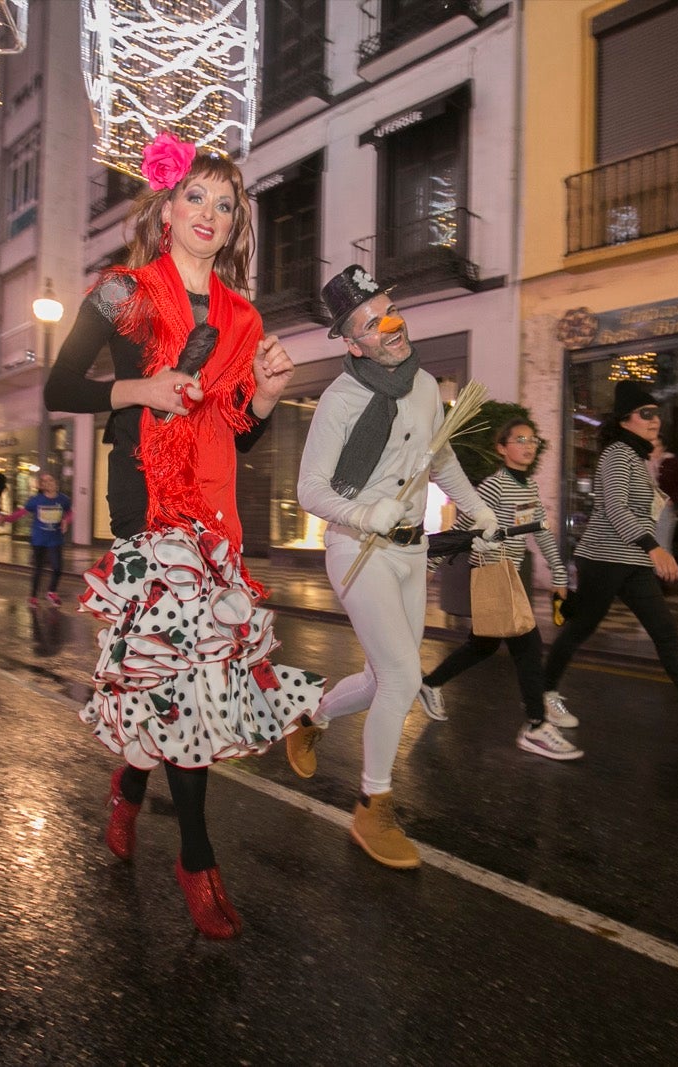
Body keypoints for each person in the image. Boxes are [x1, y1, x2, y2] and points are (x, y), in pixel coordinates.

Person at [44, 131, 316, 939]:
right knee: (189, 680)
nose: (209, 213)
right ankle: (196, 857)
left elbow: (238, 429)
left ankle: (127, 792)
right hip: (146, 503)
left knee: (173, 681)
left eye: (225, 204)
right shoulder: (119, 293)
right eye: (195, 196)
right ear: (165, 205)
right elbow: (61, 384)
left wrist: (264, 395)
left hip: (214, 502)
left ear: (236, 226)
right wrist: (140, 386)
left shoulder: (242, 316)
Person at [286, 264, 498, 871]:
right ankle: (371, 804)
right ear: (353, 343)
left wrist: (478, 510)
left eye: (391, 311)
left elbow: (441, 456)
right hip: (358, 551)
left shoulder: (427, 385)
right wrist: (365, 512)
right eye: (373, 322)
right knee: (404, 677)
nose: (391, 325)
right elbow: (310, 490)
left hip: (411, 551)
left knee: (386, 678)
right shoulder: (341, 399)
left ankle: (313, 717)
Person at [542, 381, 678, 743]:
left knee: (666, 635)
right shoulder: (616, 454)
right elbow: (615, 507)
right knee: (580, 629)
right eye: (646, 414)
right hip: (603, 558)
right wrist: (654, 548)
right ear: (626, 420)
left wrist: (651, 546)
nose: (654, 420)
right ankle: (543, 695)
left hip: (632, 559)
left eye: (657, 414)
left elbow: (642, 512)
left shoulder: (637, 457)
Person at [418, 416, 582, 760]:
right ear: (502, 448)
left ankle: (430, 683)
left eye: (532, 440)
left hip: (513, 571)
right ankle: (536, 725)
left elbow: (539, 532)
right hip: (493, 569)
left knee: (484, 645)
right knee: (528, 644)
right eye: (519, 440)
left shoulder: (529, 487)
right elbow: (464, 525)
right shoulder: (494, 486)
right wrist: (430, 565)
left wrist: (559, 572)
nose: (527, 446)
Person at [4, 471, 72, 606]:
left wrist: (66, 521)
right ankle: (33, 596)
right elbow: (21, 513)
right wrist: (5, 519)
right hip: (39, 539)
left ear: (56, 483)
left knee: (58, 568)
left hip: (55, 539)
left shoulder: (63, 499)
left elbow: (70, 512)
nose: (49, 483)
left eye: (51, 480)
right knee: (38, 568)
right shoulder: (36, 500)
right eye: (45, 482)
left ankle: (51, 592)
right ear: (42, 486)